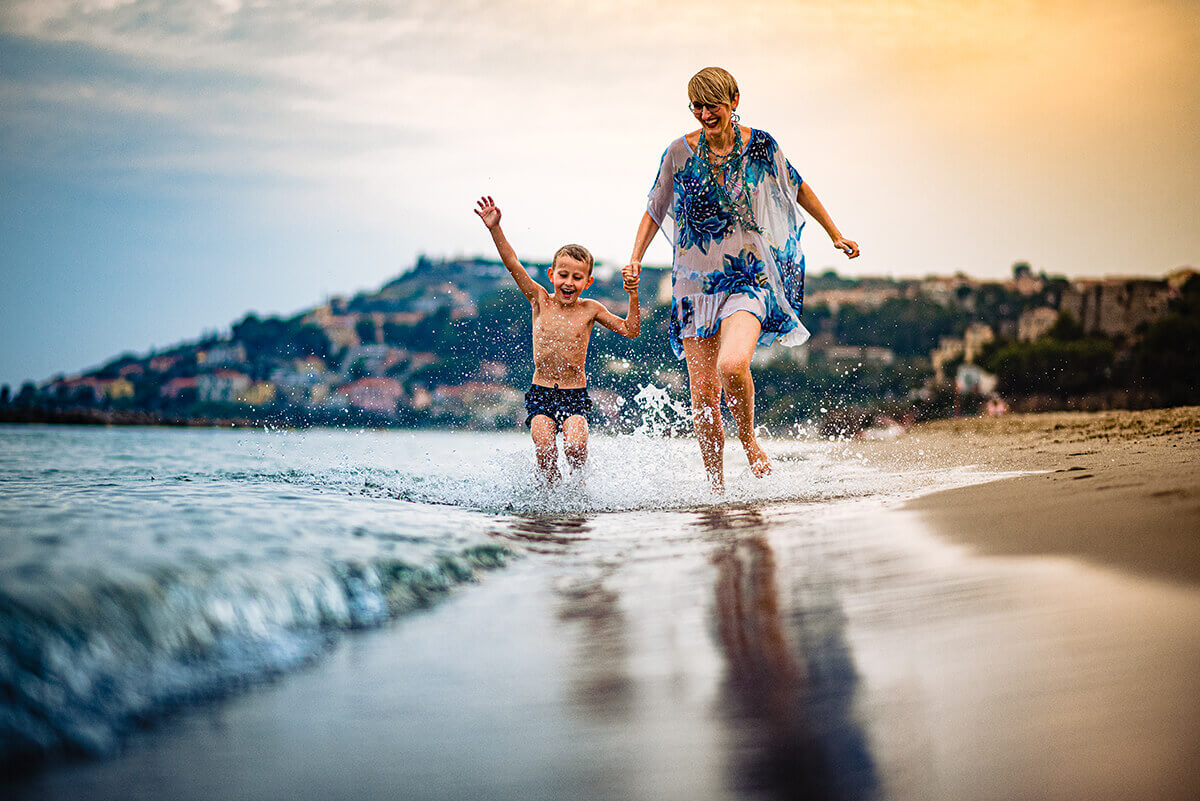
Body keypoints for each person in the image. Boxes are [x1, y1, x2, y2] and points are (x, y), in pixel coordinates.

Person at [625, 67, 859, 491]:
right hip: (693, 286)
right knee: (703, 399)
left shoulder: (762, 145)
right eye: (696, 106)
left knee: (733, 365)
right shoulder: (678, 152)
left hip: (749, 276)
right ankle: (716, 488)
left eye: (712, 105)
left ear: (734, 100)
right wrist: (635, 258)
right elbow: (655, 207)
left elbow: (797, 186)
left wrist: (835, 232)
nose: (704, 114)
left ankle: (749, 439)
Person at [474, 195, 641, 483]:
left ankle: (578, 492)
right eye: (563, 275)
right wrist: (495, 229)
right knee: (546, 449)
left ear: (587, 282)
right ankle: (550, 501)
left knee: (575, 447)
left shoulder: (591, 309)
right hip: (540, 393)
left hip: (575, 395)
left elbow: (630, 330)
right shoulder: (539, 300)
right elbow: (512, 263)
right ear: (552, 275)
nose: (568, 283)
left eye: (577, 278)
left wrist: (633, 294)